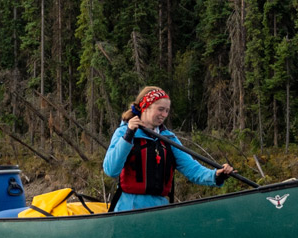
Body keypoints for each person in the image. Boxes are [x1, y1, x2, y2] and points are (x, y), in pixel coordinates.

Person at [101, 86, 235, 211]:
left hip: (160, 208)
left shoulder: (169, 138)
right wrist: (129, 134)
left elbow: (192, 169)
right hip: (128, 207)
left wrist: (215, 175)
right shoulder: (123, 132)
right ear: (145, 107)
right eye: (160, 109)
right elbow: (111, 170)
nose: (164, 114)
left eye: (167, 111)